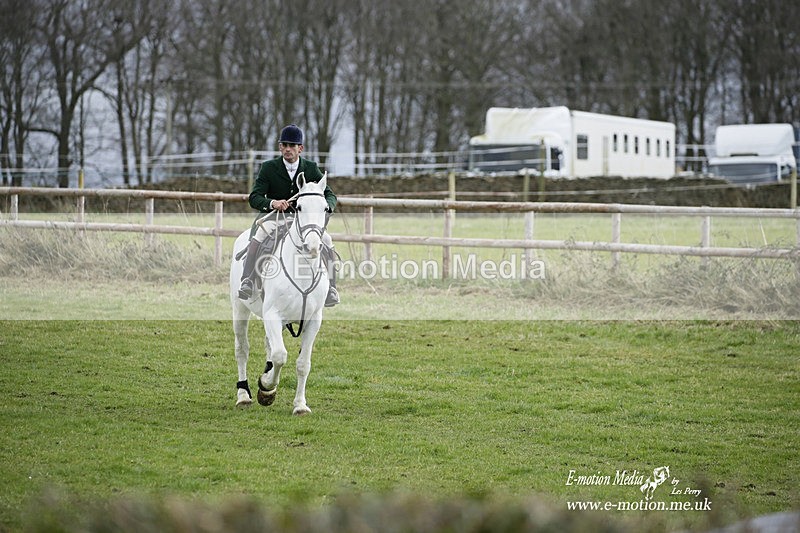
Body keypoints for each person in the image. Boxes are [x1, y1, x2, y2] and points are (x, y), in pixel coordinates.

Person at [238, 124, 339, 306]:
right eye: (284, 145)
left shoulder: (310, 168)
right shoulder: (268, 168)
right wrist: (272, 203)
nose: (287, 149)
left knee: (328, 241)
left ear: (300, 148)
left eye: (292, 145)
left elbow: (330, 195)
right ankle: (247, 280)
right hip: (274, 218)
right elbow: (254, 197)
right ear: (279, 147)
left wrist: (327, 207)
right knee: (259, 236)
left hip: (303, 221)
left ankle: (331, 288)